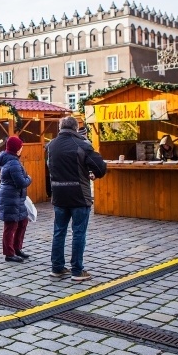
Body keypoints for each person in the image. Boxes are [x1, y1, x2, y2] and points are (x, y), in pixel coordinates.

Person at [46, 116, 107, 282]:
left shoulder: (51, 145)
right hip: (79, 194)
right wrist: (91, 172)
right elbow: (100, 167)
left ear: (60, 128)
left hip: (58, 194)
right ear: (75, 127)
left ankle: (57, 268)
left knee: (59, 232)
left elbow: (51, 168)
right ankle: (77, 271)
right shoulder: (81, 144)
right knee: (78, 232)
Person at [0, 136, 32, 262]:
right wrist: (29, 179)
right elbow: (21, 182)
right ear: (16, 149)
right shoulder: (13, 163)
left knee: (22, 222)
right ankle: (9, 253)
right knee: (10, 225)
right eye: (20, 147)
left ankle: (17, 248)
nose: (21, 149)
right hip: (11, 198)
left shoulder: (7, 159)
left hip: (15, 198)